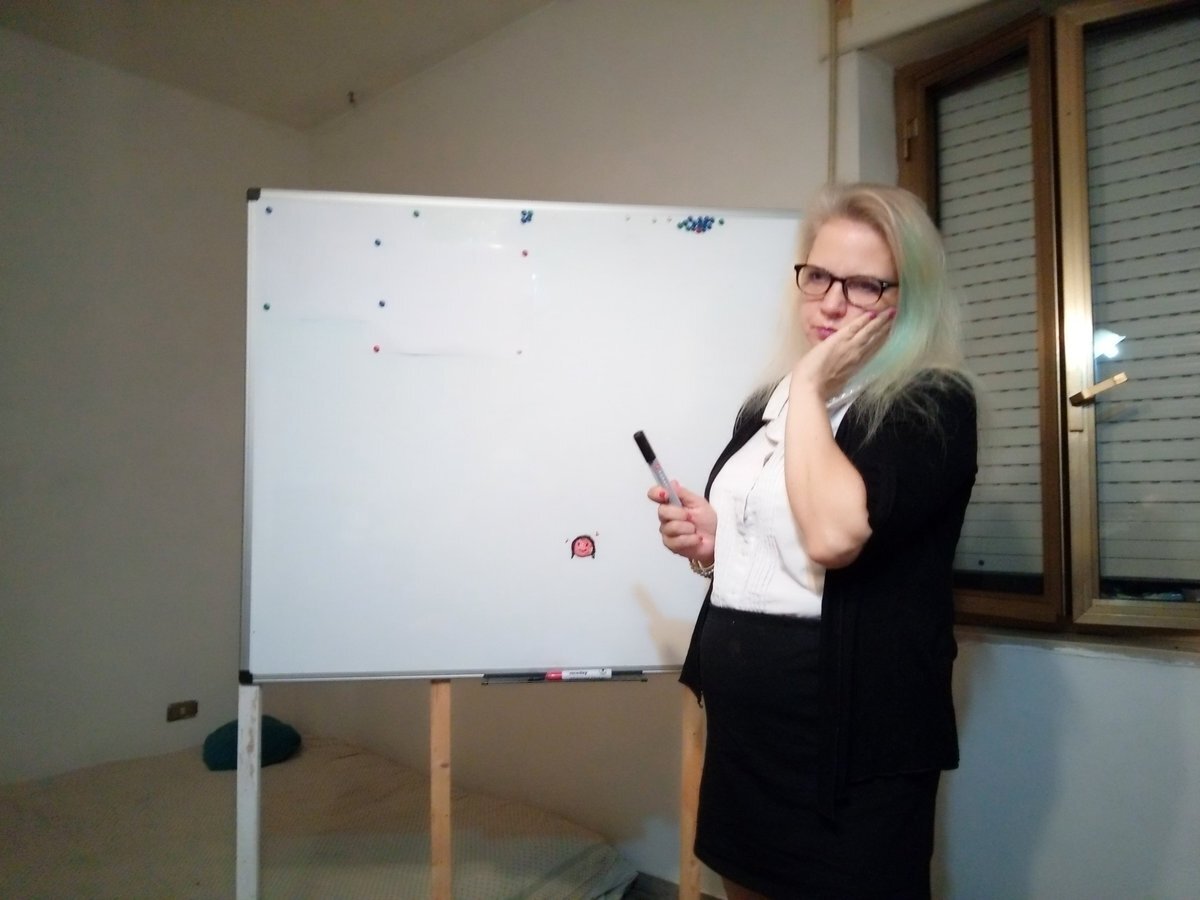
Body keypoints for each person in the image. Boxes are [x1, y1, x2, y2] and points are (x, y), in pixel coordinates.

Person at [647, 183, 977, 899]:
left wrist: (810, 383)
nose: (831, 303)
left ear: (910, 297)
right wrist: (716, 542)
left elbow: (831, 536)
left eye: (864, 286)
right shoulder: (766, 403)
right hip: (746, 730)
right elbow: (784, 541)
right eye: (819, 276)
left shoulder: (931, 401)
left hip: (852, 738)